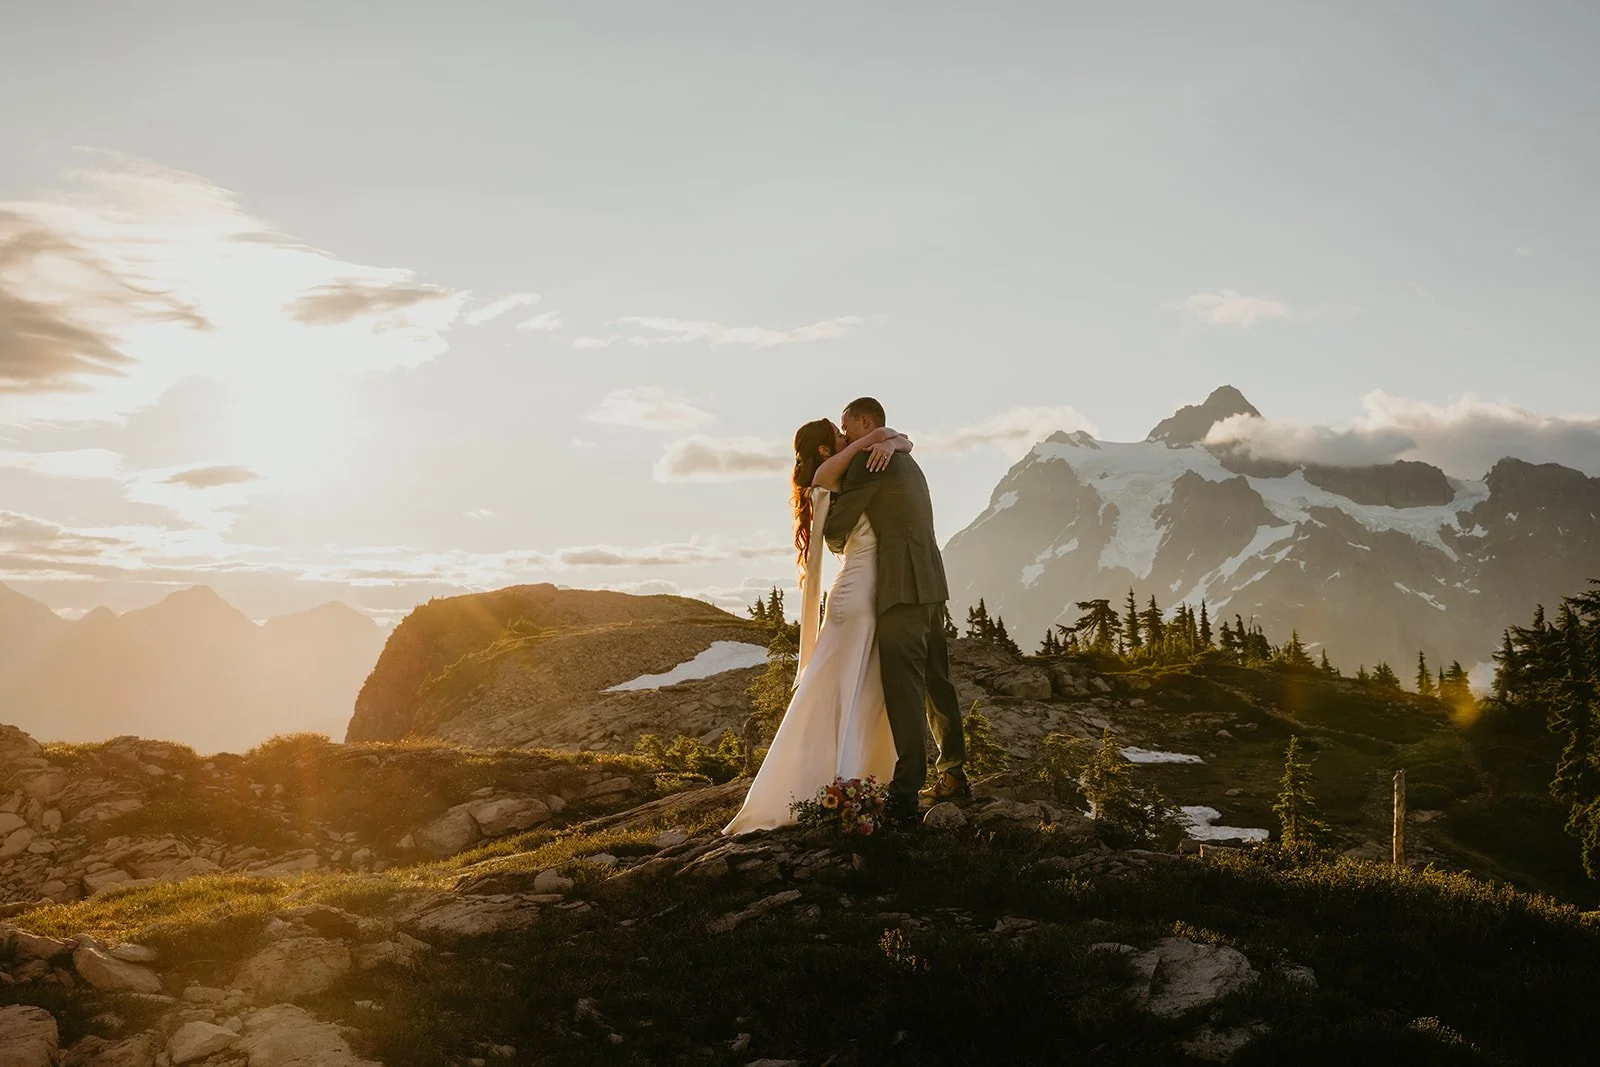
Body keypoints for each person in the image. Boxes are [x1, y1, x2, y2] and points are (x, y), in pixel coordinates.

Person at [721, 415, 913, 835]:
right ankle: (836, 788)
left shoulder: (842, 468)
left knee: (858, 688)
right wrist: (882, 437)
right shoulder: (832, 474)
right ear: (825, 449)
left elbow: (907, 443)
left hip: (863, 591)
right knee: (841, 687)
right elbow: (886, 442)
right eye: (840, 436)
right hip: (857, 595)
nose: (849, 438)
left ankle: (853, 784)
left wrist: (892, 442)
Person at [825, 397, 966, 828]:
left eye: (847, 428)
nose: (845, 437)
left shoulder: (870, 460)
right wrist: (896, 439)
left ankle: (904, 794)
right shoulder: (908, 462)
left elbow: (835, 529)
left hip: (900, 590)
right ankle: (954, 775)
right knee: (937, 683)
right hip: (931, 584)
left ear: (866, 422)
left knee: (903, 691)